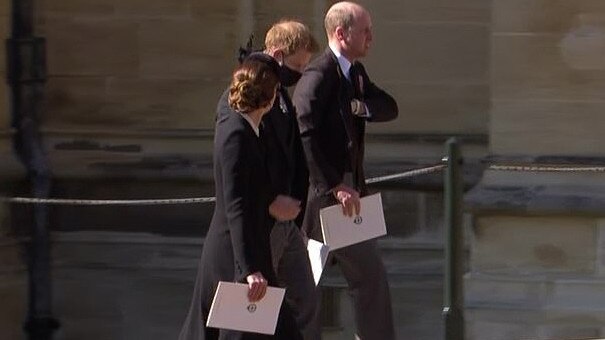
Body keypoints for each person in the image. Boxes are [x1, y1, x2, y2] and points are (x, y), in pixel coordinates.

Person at [292, 2, 399, 340]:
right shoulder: (319, 74)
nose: (371, 37)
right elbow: (303, 128)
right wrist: (333, 184)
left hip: (347, 194)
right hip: (326, 196)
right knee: (325, 280)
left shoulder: (356, 73)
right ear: (341, 33)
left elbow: (389, 107)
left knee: (357, 278)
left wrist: (359, 106)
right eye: (364, 30)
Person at [178, 57, 302, 340]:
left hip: (248, 250)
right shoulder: (236, 133)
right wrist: (249, 269)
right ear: (270, 99)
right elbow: (236, 205)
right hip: (234, 255)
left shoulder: (250, 128)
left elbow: (252, 187)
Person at [223, 20, 322, 340]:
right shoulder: (247, 99)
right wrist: (270, 202)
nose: (301, 74)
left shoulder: (280, 95)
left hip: (286, 223)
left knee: (304, 298)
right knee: (254, 313)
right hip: (264, 222)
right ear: (277, 55)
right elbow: (243, 173)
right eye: (297, 66)